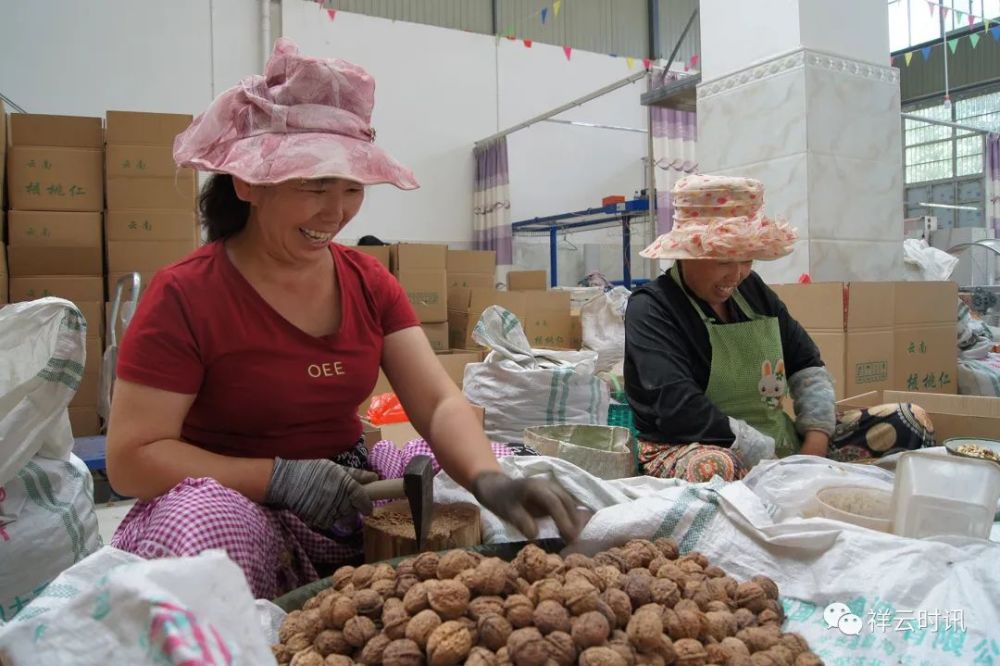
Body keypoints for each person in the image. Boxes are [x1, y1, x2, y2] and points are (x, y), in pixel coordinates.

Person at [105, 39, 586, 599]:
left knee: (495, 465)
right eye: (313, 187)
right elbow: (131, 459)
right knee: (205, 528)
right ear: (249, 185)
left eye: (352, 189)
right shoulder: (187, 295)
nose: (335, 213)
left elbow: (436, 402)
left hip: (349, 484)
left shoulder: (367, 282)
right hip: (235, 496)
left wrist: (490, 480)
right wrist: (278, 478)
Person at [624, 175, 934, 483]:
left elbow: (807, 363)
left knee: (908, 420)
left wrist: (815, 444)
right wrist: (770, 459)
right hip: (695, 446)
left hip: (782, 443)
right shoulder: (653, 308)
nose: (736, 275)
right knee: (716, 469)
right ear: (685, 253)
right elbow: (679, 409)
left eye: (747, 260)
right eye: (722, 261)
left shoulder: (751, 290)